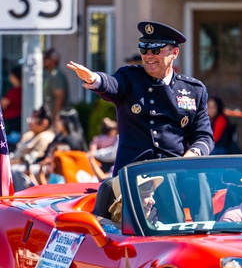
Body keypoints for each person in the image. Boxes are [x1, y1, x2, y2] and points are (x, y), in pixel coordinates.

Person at [66, 21, 213, 174]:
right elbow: (112, 84)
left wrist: (191, 157)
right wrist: (94, 78)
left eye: (156, 50)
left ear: (174, 53)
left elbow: (204, 136)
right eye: (144, 49)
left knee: (204, 194)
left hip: (177, 173)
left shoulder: (193, 90)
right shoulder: (130, 78)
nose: (148, 56)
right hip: (134, 175)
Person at [43, 48, 69, 120]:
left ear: (53, 60)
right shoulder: (49, 74)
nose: (43, 61)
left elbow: (59, 97)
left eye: (45, 58)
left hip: (56, 117)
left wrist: (54, 116)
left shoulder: (56, 74)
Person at [1, 66, 23, 141]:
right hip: (17, 119)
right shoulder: (22, 90)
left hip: (12, 121)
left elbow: (3, 104)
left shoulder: (14, 91)